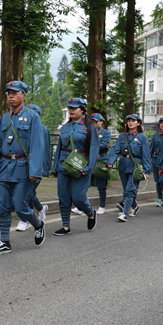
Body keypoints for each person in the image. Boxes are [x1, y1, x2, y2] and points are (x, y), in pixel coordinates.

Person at [0, 81, 46, 255]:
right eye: (8, 93)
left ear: (24, 95)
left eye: (14, 92)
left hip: (23, 168)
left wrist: (35, 171)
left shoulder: (32, 117)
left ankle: (38, 225)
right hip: (4, 167)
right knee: (2, 207)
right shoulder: (5, 118)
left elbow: (37, 146)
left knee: (20, 207)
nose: (10, 96)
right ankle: (4, 242)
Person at [51, 98, 99, 233]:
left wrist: (89, 167)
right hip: (64, 165)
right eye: (70, 108)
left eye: (75, 108)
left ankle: (90, 213)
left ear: (83, 110)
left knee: (78, 197)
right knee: (63, 196)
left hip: (80, 165)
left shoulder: (90, 127)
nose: (71, 110)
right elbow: (59, 147)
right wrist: (54, 167)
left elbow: (94, 149)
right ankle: (66, 226)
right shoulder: (66, 126)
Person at [107, 114, 151, 222]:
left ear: (138, 123)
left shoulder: (142, 137)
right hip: (123, 165)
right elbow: (116, 149)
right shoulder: (122, 136)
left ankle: (124, 213)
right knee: (127, 189)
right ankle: (135, 207)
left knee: (130, 190)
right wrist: (111, 161)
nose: (130, 123)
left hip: (135, 166)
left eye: (133, 121)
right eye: (128, 121)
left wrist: (146, 170)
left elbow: (146, 154)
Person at [16, 104, 50, 231]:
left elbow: (45, 149)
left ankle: (24, 220)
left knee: (26, 193)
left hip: (36, 167)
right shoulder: (20, 127)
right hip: (22, 166)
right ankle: (41, 209)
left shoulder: (43, 129)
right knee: (29, 193)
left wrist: (45, 169)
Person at [90, 112, 111, 215]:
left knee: (101, 186)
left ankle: (102, 206)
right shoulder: (88, 131)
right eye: (92, 121)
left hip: (101, 161)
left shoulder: (106, 133)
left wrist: (92, 146)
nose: (93, 123)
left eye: (96, 122)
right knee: (83, 184)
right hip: (89, 161)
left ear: (101, 122)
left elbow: (104, 146)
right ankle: (81, 206)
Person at [150, 117, 163, 207]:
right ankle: (159, 199)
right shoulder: (155, 136)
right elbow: (151, 150)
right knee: (157, 181)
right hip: (156, 160)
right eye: (161, 123)